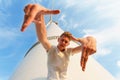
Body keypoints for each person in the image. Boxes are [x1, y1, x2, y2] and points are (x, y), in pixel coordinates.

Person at [21, 4, 96, 80]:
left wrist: (91, 39)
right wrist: (39, 16)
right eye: (62, 40)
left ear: (68, 44)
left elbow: (84, 47)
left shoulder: (69, 51)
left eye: (66, 42)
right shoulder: (51, 49)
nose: (63, 42)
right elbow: (43, 38)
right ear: (58, 40)